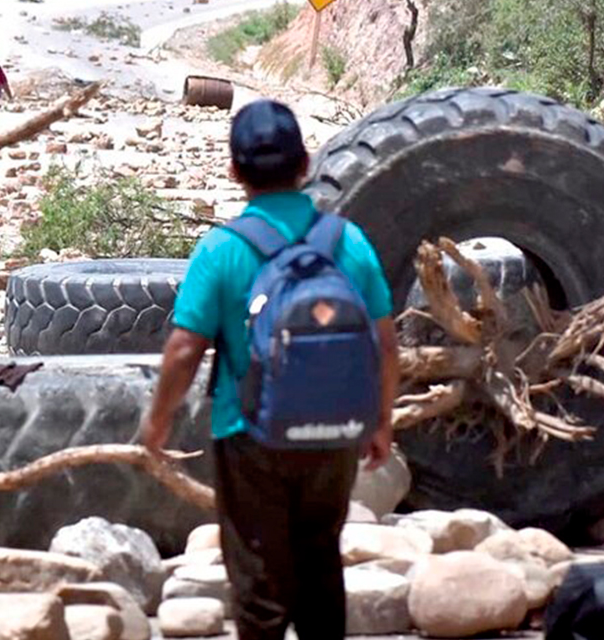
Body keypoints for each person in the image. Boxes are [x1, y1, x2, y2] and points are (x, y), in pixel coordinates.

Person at [138, 100, 397, 640]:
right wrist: (380, 420)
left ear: (234, 172)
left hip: (249, 433)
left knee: (260, 587)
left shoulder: (223, 249)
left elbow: (186, 347)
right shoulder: (347, 241)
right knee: (321, 564)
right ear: (305, 164)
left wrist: (158, 422)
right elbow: (385, 342)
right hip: (333, 434)